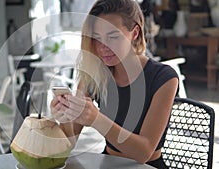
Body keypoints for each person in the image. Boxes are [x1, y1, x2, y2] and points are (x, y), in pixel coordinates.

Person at [50, 0, 178, 168]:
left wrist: (96, 119)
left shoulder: (164, 78)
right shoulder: (96, 73)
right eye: (96, 38)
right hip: (107, 163)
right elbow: (69, 143)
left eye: (113, 36)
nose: (103, 47)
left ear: (135, 33)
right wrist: (64, 117)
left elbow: (144, 153)